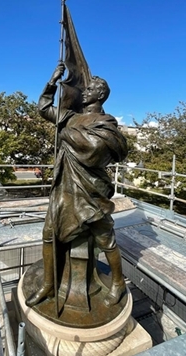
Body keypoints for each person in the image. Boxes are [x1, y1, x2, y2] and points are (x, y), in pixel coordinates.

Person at [26, 62, 129, 309]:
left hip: (91, 190)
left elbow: (95, 150)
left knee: (105, 240)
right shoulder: (69, 116)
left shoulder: (106, 122)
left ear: (100, 94)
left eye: (90, 88)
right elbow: (43, 108)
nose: (84, 90)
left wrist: (65, 135)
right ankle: (49, 285)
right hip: (65, 187)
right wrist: (52, 81)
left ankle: (118, 283)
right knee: (49, 234)